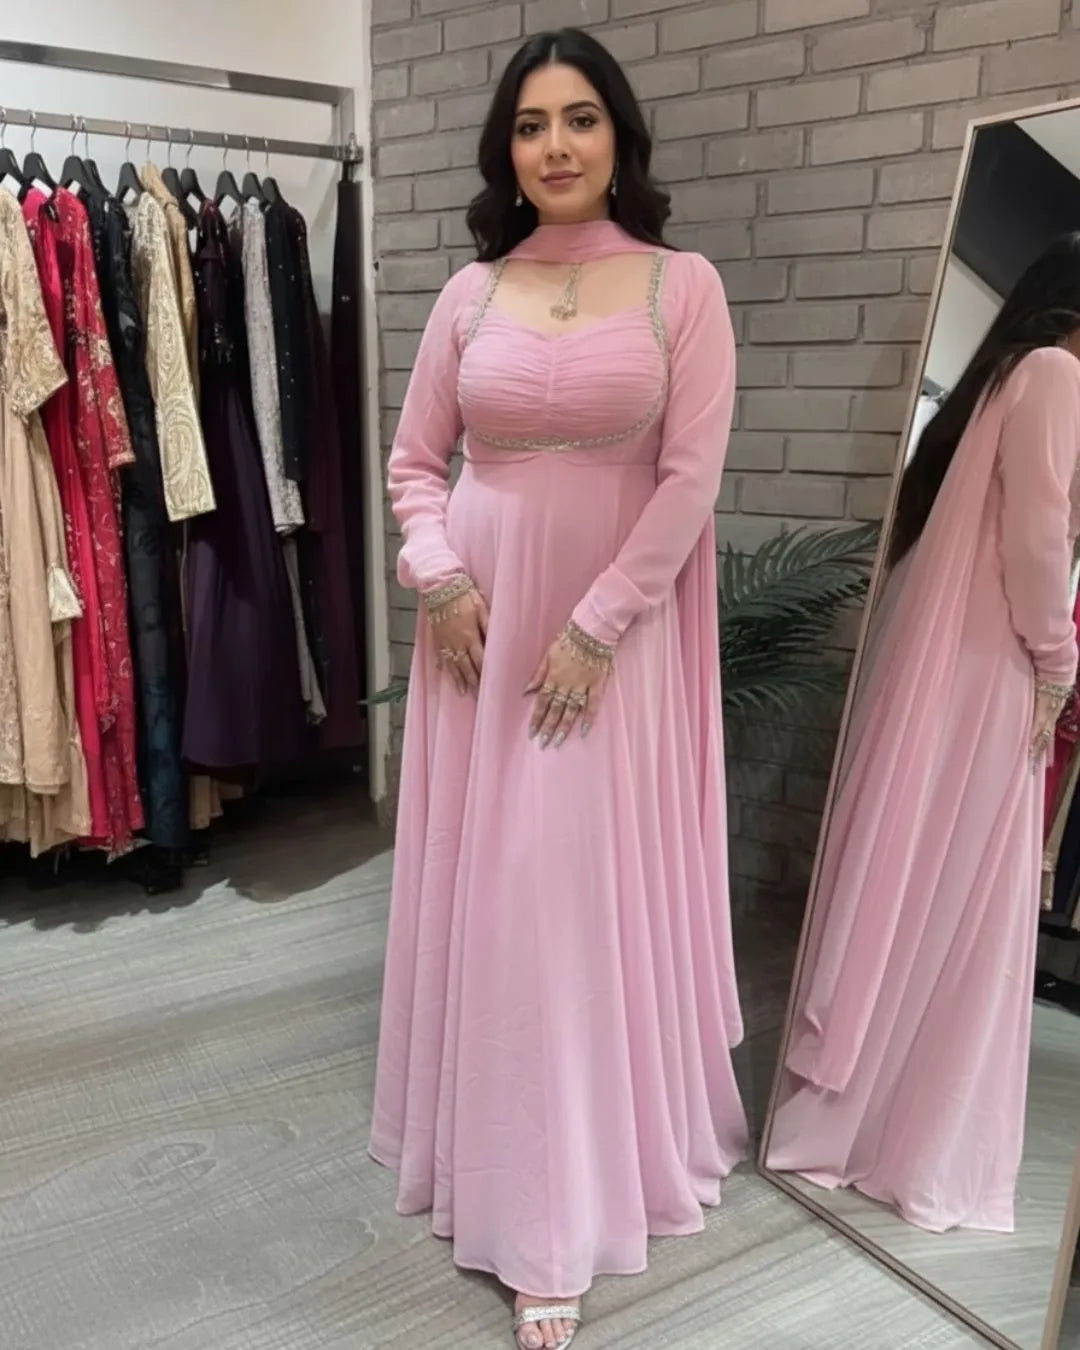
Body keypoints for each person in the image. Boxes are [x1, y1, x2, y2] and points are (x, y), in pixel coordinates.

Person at [368, 27, 748, 1350]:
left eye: (579, 118)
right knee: (504, 896)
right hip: (478, 631)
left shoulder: (680, 286)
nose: (556, 145)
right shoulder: (470, 294)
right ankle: (506, 1170)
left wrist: (597, 625)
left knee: (568, 901)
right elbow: (417, 463)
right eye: (531, 125)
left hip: (610, 642)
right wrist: (437, 573)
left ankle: (568, 1197)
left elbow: (690, 477)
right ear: (506, 151)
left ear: (619, 135)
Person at [766, 235, 1080, 1234]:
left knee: (918, 883)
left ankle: (863, 1112)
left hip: (952, 660)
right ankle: (907, 1129)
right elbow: (1038, 538)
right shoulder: (1058, 373)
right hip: (994, 664)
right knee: (957, 895)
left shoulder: (998, 379)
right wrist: (1061, 660)